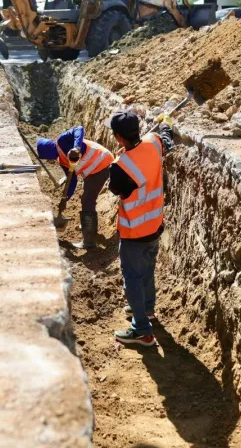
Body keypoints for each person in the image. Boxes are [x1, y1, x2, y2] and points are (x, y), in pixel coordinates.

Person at [107, 110, 174, 347]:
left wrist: (121, 158)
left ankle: (142, 332)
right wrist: (166, 123)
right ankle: (147, 310)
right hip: (155, 226)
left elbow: (115, 189)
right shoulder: (154, 143)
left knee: (133, 279)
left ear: (117, 137)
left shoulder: (120, 167)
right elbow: (167, 139)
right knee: (146, 272)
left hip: (135, 232)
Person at [35, 126, 113, 249]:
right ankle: (89, 227)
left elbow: (79, 129)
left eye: (46, 157)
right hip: (93, 170)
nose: (49, 161)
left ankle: (89, 242)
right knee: (87, 199)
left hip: (102, 162)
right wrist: (65, 199)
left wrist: (76, 147)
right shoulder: (62, 160)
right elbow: (72, 182)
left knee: (87, 200)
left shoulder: (62, 140)